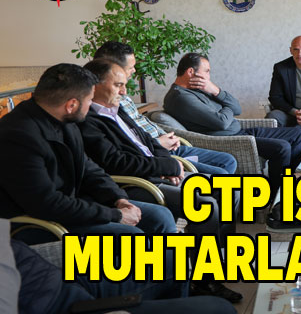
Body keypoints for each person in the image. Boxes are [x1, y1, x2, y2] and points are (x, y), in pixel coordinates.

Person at [79, 58, 242, 303]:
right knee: (204, 205)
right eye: (118, 85)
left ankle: (217, 258)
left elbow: (149, 141)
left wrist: (169, 163)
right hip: (136, 183)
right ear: (95, 86)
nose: (124, 91)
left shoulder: (117, 108)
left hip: (157, 172)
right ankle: (205, 282)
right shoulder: (89, 120)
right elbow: (115, 162)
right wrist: (164, 166)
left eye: (124, 85)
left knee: (227, 188)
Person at [0, 64, 177, 240]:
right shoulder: (18, 136)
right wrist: (114, 215)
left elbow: (88, 168)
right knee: (131, 238)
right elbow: (46, 203)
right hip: (35, 222)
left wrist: (118, 199)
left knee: (159, 216)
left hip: (72, 205)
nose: (92, 105)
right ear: (71, 105)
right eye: (90, 100)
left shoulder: (63, 119)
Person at [3, 219, 236, 314]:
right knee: (217, 310)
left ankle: (198, 285)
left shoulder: (62, 132)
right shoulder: (20, 139)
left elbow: (94, 173)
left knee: (172, 256)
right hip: (54, 304)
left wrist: (118, 202)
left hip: (59, 278)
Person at [163, 53, 301, 195]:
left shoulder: (200, 88)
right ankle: (275, 195)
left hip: (239, 130)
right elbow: (221, 122)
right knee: (282, 148)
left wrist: (216, 90)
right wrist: (227, 107)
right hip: (229, 139)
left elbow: (237, 108)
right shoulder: (181, 97)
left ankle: (288, 181)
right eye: (206, 71)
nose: (208, 77)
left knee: (297, 134)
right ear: (190, 72)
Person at [94, 41, 237, 175]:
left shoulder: (122, 98)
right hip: (155, 153)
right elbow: (127, 149)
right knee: (221, 175)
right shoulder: (107, 107)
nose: (134, 70)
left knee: (228, 161)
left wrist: (216, 91)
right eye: (131, 67)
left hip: (165, 145)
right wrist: (159, 147)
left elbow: (236, 109)